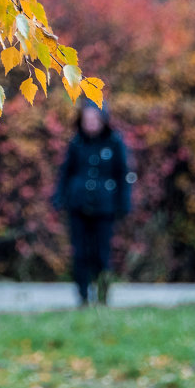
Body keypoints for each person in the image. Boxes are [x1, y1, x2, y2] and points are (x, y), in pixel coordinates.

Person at [52, 98, 134, 306]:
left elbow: (122, 174)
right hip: (78, 205)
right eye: (87, 119)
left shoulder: (114, 143)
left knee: (101, 252)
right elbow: (65, 173)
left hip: (104, 207)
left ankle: (103, 294)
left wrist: (123, 204)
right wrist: (59, 197)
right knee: (80, 252)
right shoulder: (76, 143)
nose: (90, 123)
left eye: (94, 119)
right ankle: (82, 296)